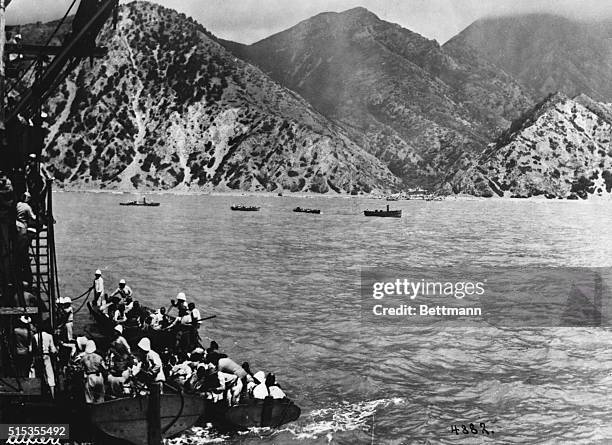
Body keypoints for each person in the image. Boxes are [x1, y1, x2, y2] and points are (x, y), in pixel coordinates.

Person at [32, 323, 57, 398]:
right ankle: (53, 394)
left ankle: (37, 394)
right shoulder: (49, 336)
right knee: (50, 374)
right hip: (46, 355)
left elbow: (31, 349)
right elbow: (53, 349)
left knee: (37, 373)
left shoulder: (34, 336)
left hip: (37, 356)